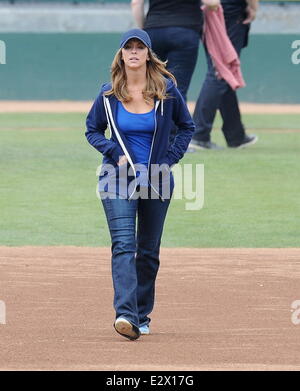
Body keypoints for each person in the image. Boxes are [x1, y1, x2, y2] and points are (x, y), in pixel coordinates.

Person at [85, 29, 194, 340]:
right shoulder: (108, 95)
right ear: (121, 55)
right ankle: (125, 314)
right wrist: (112, 150)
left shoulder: (167, 91)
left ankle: (141, 314)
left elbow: (187, 127)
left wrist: (170, 158)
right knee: (123, 245)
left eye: (139, 48)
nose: (133, 52)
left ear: (148, 54)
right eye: (128, 48)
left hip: (157, 179)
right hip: (116, 179)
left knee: (147, 251)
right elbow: (92, 130)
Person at [190, 0, 259, 150]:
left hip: (210, 12)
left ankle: (236, 136)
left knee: (224, 73)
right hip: (228, 14)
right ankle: (198, 134)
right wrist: (253, 7)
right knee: (220, 72)